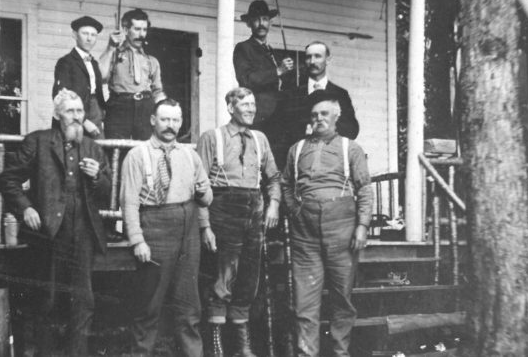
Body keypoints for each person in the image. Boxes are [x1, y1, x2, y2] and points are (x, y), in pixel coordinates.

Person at [0, 89, 111, 356]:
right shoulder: (38, 142)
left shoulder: (93, 148)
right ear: (56, 114)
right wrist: (26, 208)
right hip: (49, 233)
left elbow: (107, 194)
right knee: (46, 300)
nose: (76, 117)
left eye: (80, 111)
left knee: (83, 302)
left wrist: (97, 177)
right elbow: (9, 180)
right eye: (70, 111)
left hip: (84, 232)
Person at [281, 90, 373, 357]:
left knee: (341, 299)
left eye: (324, 114)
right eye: (314, 115)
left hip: (342, 227)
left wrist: (362, 226)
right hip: (305, 231)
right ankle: (306, 353)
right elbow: (287, 184)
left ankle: (340, 353)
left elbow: (364, 188)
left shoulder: (350, 148)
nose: (318, 119)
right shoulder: (296, 149)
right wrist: (294, 208)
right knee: (304, 301)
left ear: (336, 115)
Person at [120, 98, 213, 357]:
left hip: (188, 229)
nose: (170, 125)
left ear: (180, 122)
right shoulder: (137, 156)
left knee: (189, 306)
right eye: (164, 119)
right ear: (153, 120)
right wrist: (137, 240)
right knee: (149, 307)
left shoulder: (190, 155)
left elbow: (206, 198)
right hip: (155, 228)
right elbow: (128, 203)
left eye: (175, 120)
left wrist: (204, 193)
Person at [196, 87, 281, 357]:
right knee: (223, 277)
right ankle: (217, 346)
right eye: (244, 105)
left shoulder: (260, 139)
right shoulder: (213, 138)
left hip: (254, 210)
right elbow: (198, 185)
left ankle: (242, 347)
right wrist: (204, 225)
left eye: (253, 104)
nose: (251, 109)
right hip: (223, 208)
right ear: (230, 108)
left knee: (248, 278)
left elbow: (274, 178)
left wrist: (274, 204)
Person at [233, 0, 294, 152]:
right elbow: (246, 80)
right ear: (249, 24)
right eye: (256, 20)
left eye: (265, 19)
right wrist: (277, 71)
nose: (261, 24)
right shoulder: (243, 48)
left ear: (270, 23)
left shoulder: (272, 52)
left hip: (280, 117)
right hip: (259, 117)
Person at [99, 8, 165, 139]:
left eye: (144, 30)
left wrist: (165, 110)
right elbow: (102, 77)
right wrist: (110, 47)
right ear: (125, 29)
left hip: (145, 108)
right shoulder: (113, 54)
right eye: (137, 29)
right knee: (116, 152)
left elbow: (157, 92)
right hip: (119, 108)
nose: (142, 34)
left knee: (144, 151)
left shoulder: (151, 60)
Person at [286, 41, 359, 145]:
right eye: (308, 57)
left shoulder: (340, 94)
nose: (312, 61)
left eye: (317, 56)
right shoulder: (293, 94)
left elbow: (352, 130)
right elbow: (284, 131)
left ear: (327, 60)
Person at [53, 15, 106, 138]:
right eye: (85, 34)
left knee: (96, 151)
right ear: (75, 35)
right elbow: (60, 96)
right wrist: (84, 121)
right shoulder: (66, 62)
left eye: (93, 35)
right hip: (74, 114)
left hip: (95, 112)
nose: (89, 39)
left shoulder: (94, 63)